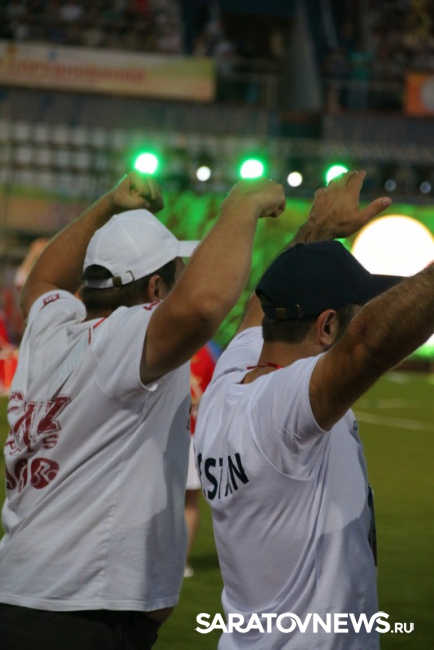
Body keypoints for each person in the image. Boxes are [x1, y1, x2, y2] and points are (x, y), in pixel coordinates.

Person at [0, 169, 286, 650]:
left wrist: (108, 206)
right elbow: (202, 305)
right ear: (155, 291)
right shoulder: (123, 336)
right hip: (78, 617)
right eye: (175, 282)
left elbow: (44, 278)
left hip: (21, 593)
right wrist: (242, 202)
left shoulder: (52, 328)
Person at [193, 170, 434, 649]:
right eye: (359, 310)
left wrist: (317, 228)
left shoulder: (231, 382)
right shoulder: (281, 409)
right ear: (325, 328)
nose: (366, 316)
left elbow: (265, 302)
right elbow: (368, 346)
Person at [184, 342, 220, 578]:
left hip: (180, 434)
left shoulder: (169, 342)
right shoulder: (209, 352)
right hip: (195, 435)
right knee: (189, 502)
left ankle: (175, 561)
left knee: (180, 501)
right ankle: (180, 563)